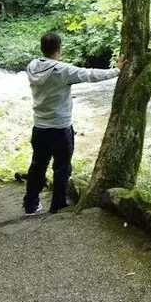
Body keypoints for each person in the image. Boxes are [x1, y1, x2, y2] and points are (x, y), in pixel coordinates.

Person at [22, 32, 121, 215]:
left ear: (42, 48)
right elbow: (89, 75)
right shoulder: (62, 71)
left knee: (37, 166)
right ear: (60, 49)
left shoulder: (32, 66)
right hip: (60, 128)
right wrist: (117, 70)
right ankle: (58, 204)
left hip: (39, 127)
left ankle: (30, 205)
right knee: (62, 167)